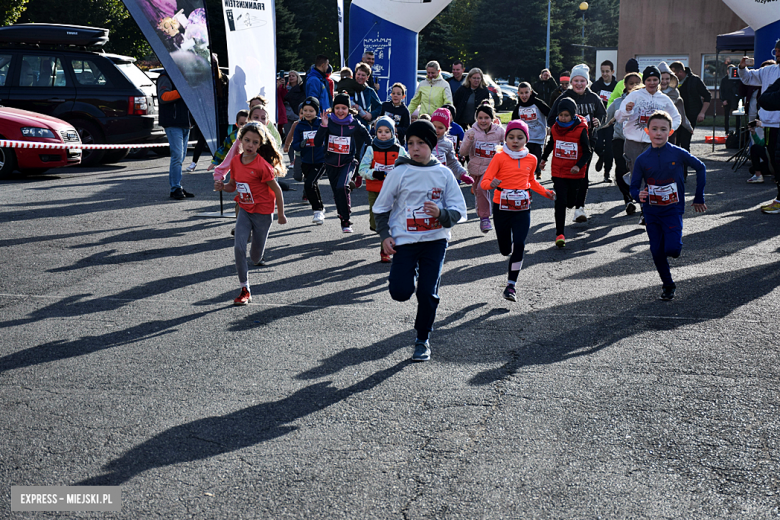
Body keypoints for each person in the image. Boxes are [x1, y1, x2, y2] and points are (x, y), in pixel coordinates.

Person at [372, 120, 468, 362]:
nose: (415, 148)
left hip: (435, 241)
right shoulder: (399, 173)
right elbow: (380, 209)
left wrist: (441, 215)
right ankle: (408, 274)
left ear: (432, 146)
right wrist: (385, 236)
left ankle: (422, 339)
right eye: (411, 143)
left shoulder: (444, 174)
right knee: (400, 292)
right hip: (404, 241)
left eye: (421, 144)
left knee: (427, 292)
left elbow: (459, 210)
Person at [630, 110, 706, 301]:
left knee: (672, 250)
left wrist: (698, 197)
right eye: (654, 129)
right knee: (656, 251)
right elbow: (633, 187)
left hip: (673, 209)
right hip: (651, 211)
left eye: (663, 129)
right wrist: (638, 195)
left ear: (670, 132)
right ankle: (668, 285)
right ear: (647, 131)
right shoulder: (642, 159)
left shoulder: (677, 153)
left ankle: (672, 246)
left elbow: (701, 167)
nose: (658, 133)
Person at [479, 119, 555, 301]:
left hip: (522, 208)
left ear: (526, 140)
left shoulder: (531, 159)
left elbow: (531, 182)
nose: (515, 141)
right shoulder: (499, 157)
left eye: (520, 137)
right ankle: (507, 251)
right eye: (511, 137)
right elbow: (484, 182)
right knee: (506, 249)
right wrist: (493, 183)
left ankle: (511, 285)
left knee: (519, 244)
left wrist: (546, 192)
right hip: (502, 208)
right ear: (506, 139)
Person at [214, 122, 287, 305]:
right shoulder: (235, 161)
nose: (250, 145)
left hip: (263, 213)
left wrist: (280, 214)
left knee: (255, 257)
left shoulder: (263, 166)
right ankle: (245, 289)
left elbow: (277, 190)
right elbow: (233, 186)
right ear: (240, 141)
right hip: (245, 210)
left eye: (255, 142)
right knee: (239, 248)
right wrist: (223, 186)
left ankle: (258, 249)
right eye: (246, 140)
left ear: (260, 145)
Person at [547, 64, 606, 221]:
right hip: (566, 144)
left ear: (587, 82)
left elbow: (602, 114)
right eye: (576, 81)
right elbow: (551, 119)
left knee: (583, 175)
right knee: (566, 175)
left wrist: (597, 121)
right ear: (571, 82)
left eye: (582, 81)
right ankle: (569, 199)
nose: (579, 84)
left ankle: (580, 208)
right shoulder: (564, 97)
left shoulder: (593, 98)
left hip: (587, 142)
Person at [314, 92, 371, 233]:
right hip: (331, 164)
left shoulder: (354, 123)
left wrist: (376, 150)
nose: (340, 111)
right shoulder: (328, 121)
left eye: (344, 108)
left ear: (349, 109)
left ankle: (346, 220)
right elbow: (316, 142)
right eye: (337, 108)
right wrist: (323, 126)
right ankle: (342, 215)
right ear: (333, 109)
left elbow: (369, 139)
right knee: (337, 193)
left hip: (348, 162)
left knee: (342, 187)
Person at [615, 65, 681, 186]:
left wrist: (667, 131)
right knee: (636, 172)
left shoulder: (664, 99)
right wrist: (627, 110)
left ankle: (646, 202)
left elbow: (676, 118)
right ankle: (637, 194)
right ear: (644, 81)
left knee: (651, 172)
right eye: (648, 80)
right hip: (633, 142)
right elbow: (619, 118)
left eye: (655, 80)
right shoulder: (634, 95)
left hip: (654, 143)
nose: (652, 83)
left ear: (659, 81)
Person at [540, 98, 592, 247]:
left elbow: (588, 152)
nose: (563, 118)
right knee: (560, 201)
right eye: (561, 115)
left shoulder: (581, 129)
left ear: (573, 115)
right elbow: (551, 144)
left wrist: (578, 165)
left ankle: (574, 204)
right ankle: (559, 234)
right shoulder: (555, 127)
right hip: (559, 171)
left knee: (570, 202)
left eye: (566, 115)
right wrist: (543, 159)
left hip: (575, 172)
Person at [358, 116, 410, 262]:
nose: (383, 134)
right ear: (375, 132)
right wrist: (374, 173)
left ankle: (385, 252)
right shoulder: (371, 148)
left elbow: (406, 168)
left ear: (393, 133)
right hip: (374, 190)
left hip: (393, 192)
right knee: (375, 223)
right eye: (380, 131)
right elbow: (362, 169)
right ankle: (378, 230)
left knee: (388, 222)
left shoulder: (399, 150)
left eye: (387, 131)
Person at [738, 47, 780, 213]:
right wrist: (742, 68)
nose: (777, 54)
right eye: (777, 51)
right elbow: (748, 78)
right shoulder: (769, 70)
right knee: (775, 163)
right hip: (770, 124)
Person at [460, 102, 505, 232]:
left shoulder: (499, 131)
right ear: (476, 118)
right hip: (474, 168)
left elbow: (508, 145)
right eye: (480, 118)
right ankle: (482, 211)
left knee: (481, 188)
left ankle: (485, 218)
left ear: (492, 118)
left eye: (486, 118)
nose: (483, 121)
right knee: (478, 191)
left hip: (491, 169)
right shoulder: (471, 132)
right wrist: (469, 139)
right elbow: (463, 152)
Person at [606, 72, 643, 215]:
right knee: (621, 167)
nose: (634, 86)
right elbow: (606, 117)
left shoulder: (645, 102)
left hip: (639, 140)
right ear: (625, 86)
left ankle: (641, 200)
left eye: (637, 83)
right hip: (620, 139)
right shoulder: (617, 103)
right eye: (631, 83)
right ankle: (627, 199)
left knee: (638, 169)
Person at [156, 69, 193, 200]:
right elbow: (163, 97)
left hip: (184, 122)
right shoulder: (165, 76)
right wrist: (184, 90)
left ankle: (176, 187)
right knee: (178, 156)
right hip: (173, 122)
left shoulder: (181, 76)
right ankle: (175, 187)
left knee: (180, 156)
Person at [291, 97, 327, 223]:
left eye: (311, 110)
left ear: (316, 111)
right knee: (312, 185)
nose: (307, 113)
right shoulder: (299, 126)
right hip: (305, 161)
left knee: (309, 184)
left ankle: (317, 211)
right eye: (305, 110)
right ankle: (320, 208)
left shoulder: (322, 123)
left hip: (321, 160)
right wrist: (301, 144)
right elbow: (294, 145)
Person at [669, 61, 711, 162]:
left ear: (680, 72)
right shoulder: (672, 82)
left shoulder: (694, 80)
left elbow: (707, 96)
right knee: (674, 143)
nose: (671, 77)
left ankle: (684, 170)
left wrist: (702, 112)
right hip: (675, 116)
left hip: (690, 116)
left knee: (685, 142)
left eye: (673, 74)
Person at [510, 82, 550, 179]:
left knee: (536, 155)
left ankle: (537, 170)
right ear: (518, 93)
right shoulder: (518, 107)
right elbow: (513, 121)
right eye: (522, 93)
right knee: (526, 155)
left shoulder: (537, 103)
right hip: (525, 137)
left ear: (531, 92)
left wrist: (551, 126)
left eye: (526, 92)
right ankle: (528, 173)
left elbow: (549, 112)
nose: (524, 95)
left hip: (539, 135)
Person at [430, 108, 473, 187]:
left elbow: (452, 162)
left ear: (446, 129)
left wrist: (462, 174)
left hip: (441, 181)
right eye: (434, 126)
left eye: (440, 128)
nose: (436, 130)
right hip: (425, 180)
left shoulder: (447, 144)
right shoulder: (423, 140)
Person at [591, 60, 617, 182]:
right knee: (597, 144)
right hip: (598, 121)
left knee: (610, 148)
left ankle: (607, 173)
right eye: (602, 71)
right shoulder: (595, 86)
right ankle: (601, 156)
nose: (605, 74)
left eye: (607, 71)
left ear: (612, 71)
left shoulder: (616, 86)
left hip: (612, 121)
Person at [658, 61, 693, 146]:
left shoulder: (674, 93)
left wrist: (687, 126)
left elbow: (680, 111)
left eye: (667, 79)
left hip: (670, 127)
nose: (664, 81)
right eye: (662, 79)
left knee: (670, 148)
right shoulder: (652, 93)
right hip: (655, 127)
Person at [747, 119, 770, 183]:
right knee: (752, 169)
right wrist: (753, 133)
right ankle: (758, 175)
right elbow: (761, 144)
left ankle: (758, 175)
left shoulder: (774, 129)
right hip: (772, 157)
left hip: (776, 156)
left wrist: (764, 127)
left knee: (755, 148)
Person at [720, 66, 741, 135]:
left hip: (735, 99)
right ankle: (727, 131)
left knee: (738, 116)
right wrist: (723, 100)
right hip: (727, 99)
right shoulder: (724, 80)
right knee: (726, 116)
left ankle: (738, 130)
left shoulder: (737, 79)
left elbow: (739, 89)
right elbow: (721, 90)